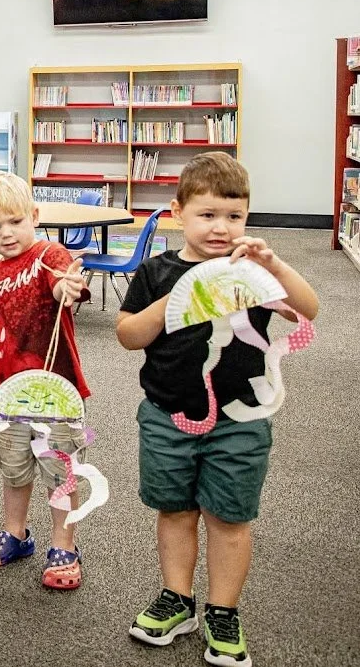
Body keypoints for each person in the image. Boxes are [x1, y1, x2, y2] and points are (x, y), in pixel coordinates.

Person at [117, 153, 318, 666]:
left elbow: (308, 308)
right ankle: (177, 598)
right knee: (174, 510)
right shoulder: (156, 271)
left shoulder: (250, 273)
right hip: (166, 415)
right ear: (177, 212)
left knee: (229, 518)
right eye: (207, 214)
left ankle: (223, 610)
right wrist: (174, 298)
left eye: (234, 216)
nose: (221, 227)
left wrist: (273, 266)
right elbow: (128, 336)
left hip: (241, 421)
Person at [0, 171, 92, 590]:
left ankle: (64, 545)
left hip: (54, 391)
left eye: (16, 221)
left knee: (59, 471)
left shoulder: (49, 254)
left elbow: (64, 288)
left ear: (34, 216)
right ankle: (16, 534)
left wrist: (69, 287)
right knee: (14, 470)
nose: (6, 234)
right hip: (7, 393)